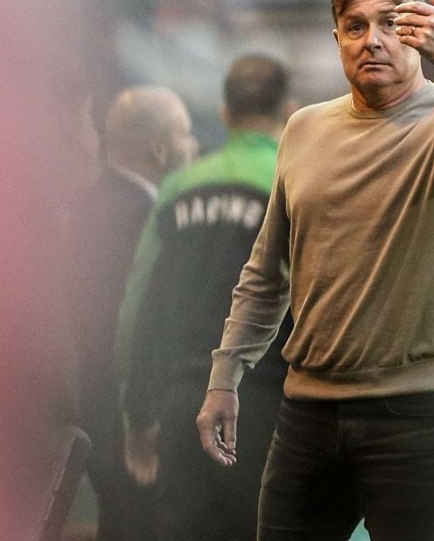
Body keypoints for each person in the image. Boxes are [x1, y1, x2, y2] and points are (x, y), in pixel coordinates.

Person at [196, 0, 434, 541]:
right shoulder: (304, 130)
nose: (374, 40)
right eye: (356, 25)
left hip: (418, 414)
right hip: (309, 410)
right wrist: (225, 374)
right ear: (337, 37)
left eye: (392, 23)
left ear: (419, 31)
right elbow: (268, 272)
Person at [117, 54, 295, 540]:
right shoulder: (293, 181)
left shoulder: (179, 187)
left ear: (223, 114)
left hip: (182, 401)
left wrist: (138, 412)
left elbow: (140, 305)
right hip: (267, 405)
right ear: (288, 111)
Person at [71, 85, 197, 541]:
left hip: (88, 411)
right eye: (185, 134)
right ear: (161, 148)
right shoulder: (155, 221)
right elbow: (152, 324)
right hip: (137, 417)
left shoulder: (79, 209)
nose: (194, 146)